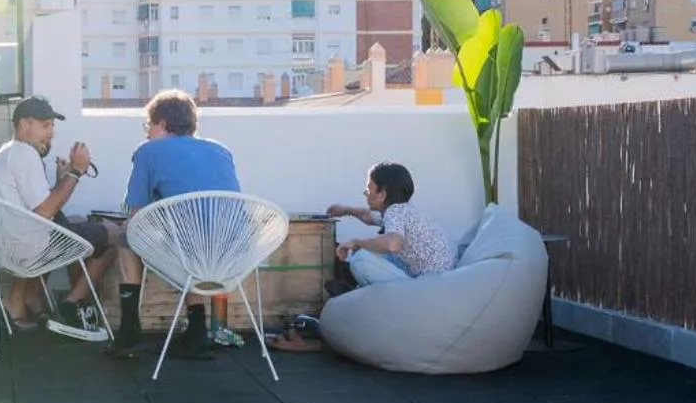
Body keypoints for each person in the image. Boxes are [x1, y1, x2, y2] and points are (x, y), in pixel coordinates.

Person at [271, 161, 453, 353]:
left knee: (361, 257)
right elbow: (369, 217)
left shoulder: (395, 213)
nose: (365, 193)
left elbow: (393, 243)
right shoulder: (405, 210)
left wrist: (356, 242)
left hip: (426, 288)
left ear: (382, 194)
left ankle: (354, 289)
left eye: (369, 188)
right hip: (435, 278)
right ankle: (353, 284)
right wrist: (345, 209)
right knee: (374, 251)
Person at [112, 89, 240, 361]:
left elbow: (136, 214)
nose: (147, 132)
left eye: (149, 125)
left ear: (161, 124)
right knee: (194, 237)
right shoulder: (221, 150)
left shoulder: (148, 151)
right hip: (232, 252)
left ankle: (129, 331)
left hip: (188, 249)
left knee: (125, 238)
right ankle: (196, 332)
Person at [0, 95, 116, 338]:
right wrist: (76, 170)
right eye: (45, 125)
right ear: (23, 125)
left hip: (11, 238)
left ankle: (27, 297)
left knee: (77, 222)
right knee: (115, 234)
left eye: (52, 126)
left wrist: (62, 180)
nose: (50, 133)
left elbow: (40, 206)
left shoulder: (8, 152)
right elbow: (45, 210)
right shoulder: (24, 154)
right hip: (27, 245)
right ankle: (72, 304)